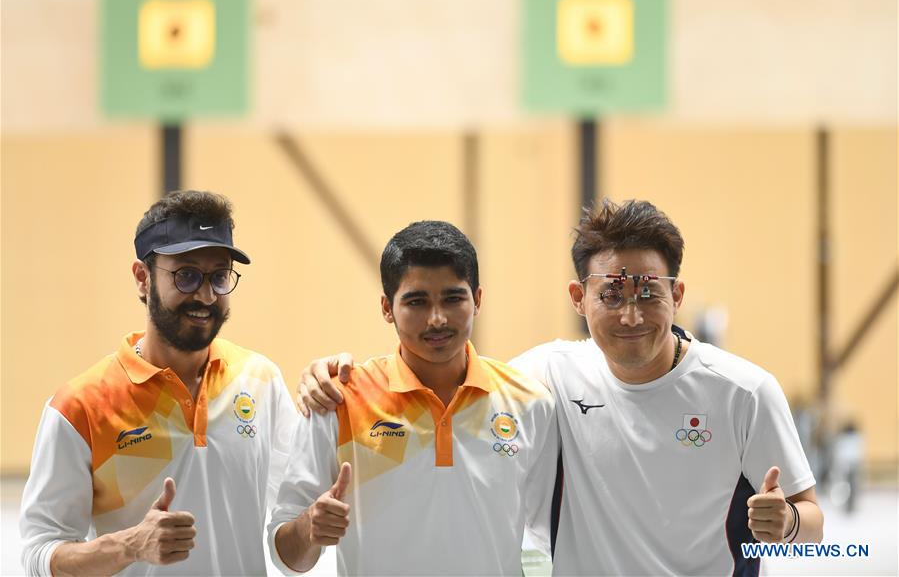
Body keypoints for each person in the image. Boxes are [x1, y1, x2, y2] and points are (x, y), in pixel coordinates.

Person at [296, 200, 824, 576]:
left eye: (648, 291)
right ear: (578, 297)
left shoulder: (744, 391)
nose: (631, 314)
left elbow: (815, 527)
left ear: (677, 292)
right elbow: (447, 368)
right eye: (611, 295)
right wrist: (329, 372)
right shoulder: (544, 377)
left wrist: (789, 525)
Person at [20, 191, 298, 576]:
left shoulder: (261, 380)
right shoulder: (79, 407)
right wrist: (130, 545)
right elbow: (38, 556)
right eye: (185, 275)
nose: (205, 295)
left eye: (219, 277)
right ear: (142, 279)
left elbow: (293, 516)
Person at [268, 221, 557, 575]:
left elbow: (553, 538)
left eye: (453, 298)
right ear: (387, 308)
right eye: (416, 301)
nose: (437, 319)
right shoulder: (338, 400)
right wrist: (310, 528)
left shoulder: (530, 403)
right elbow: (286, 556)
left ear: (477, 299)